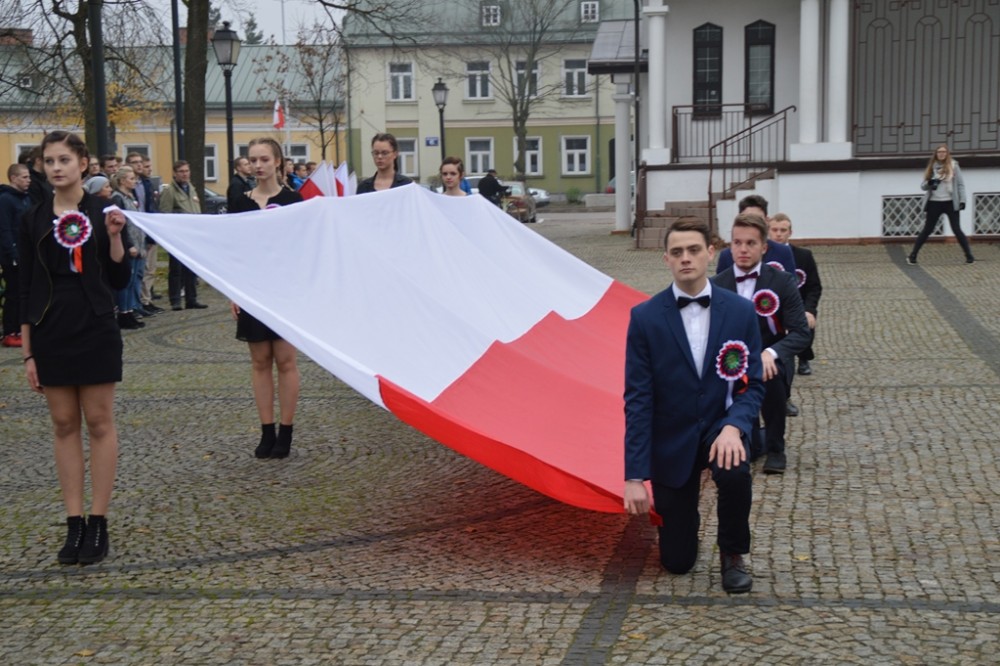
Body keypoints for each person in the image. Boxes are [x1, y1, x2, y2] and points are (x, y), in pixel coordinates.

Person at [624, 217, 764, 594]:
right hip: (672, 434)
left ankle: (733, 553)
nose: (686, 258)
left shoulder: (741, 311)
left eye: (693, 250)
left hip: (721, 425)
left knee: (734, 470)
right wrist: (634, 476)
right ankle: (683, 524)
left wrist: (735, 427)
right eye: (677, 252)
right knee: (677, 563)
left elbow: (753, 384)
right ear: (666, 259)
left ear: (710, 253)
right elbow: (637, 399)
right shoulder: (645, 318)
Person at [18, 130, 131, 565]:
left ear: (83, 163)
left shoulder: (105, 211)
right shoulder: (32, 218)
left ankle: (98, 521)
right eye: (49, 161)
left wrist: (116, 237)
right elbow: (25, 286)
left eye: (64, 159)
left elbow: (119, 280)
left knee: (99, 423)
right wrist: (28, 351)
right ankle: (73, 522)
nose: (56, 168)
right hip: (51, 328)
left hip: (96, 324)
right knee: (64, 424)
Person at [713, 213, 810, 475]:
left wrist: (771, 352)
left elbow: (801, 333)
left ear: (764, 247)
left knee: (771, 373)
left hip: (770, 360)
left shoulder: (782, 281)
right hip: (732, 360)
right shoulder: (716, 285)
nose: (743, 249)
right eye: (737, 243)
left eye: (751, 243)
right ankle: (747, 439)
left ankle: (777, 448)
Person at [228, 138, 303, 459]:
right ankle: (266, 429)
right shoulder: (239, 202)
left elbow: (301, 247)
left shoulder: (293, 200)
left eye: (264, 159)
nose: (258, 165)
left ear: (277, 161)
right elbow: (234, 249)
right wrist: (234, 290)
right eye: (253, 159)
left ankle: (286, 430)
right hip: (252, 289)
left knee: (285, 361)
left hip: (284, 290)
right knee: (260, 362)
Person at [768, 213, 822, 380]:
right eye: (774, 230)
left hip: (797, 304)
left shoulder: (804, 256)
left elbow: (814, 286)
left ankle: (804, 357)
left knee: (806, 319)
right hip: (769, 304)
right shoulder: (762, 255)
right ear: (768, 231)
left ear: (790, 232)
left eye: (783, 230)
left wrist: (809, 309)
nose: (778, 234)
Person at [908, 144, 974, 265]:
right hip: (934, 203)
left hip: (950, 202)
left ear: (947, 153)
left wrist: (962, 200)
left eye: (944, 152)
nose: (941, 154)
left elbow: (960, 185)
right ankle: (913, 255)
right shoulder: (932, 167)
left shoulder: (954, 166)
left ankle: (969, 256)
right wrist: (930, 183)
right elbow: (923, 186)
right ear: (936, 154)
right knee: (927, 229)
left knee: (956, 229)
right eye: (939, 152)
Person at [159, 160, 207, 310]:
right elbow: (165, 213)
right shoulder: (170, 191)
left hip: (192, 234)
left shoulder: (191, 188)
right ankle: (175, 300)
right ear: (175, 173)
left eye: (187, 171)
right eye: (181, 171)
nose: (185, 174)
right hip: (177, 235)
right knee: (176, 269)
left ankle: (191, 299)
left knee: (191, 268)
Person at [715, 195, 796, 275]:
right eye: (748, 218)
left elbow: (790, 281)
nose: (753, 223)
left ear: (767, 220)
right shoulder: (727, 255)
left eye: (758, 218)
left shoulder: (783, 252)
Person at [109, 166, 147, 330]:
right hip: (128, 245)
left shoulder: (130, 196)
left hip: (138, 243)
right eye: (131, 179)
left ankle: (130, 310)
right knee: (126, 281)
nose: (135, 182)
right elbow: (122, 225)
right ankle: (123, 312)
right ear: (123, 181)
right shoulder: (118, 198)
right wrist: (130, 245)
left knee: (133, 282)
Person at [0, 163, 32, 347]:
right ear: (13, 178)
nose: (28, 180)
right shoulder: (6, 199)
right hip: (12, 255)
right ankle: (10, 331)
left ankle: (22, 328)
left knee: (24, 293)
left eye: (29, 177)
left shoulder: (26, 199)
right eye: (24, 177)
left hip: (26, 252)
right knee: (13, 293)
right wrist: (12, 253)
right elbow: (4, 229)